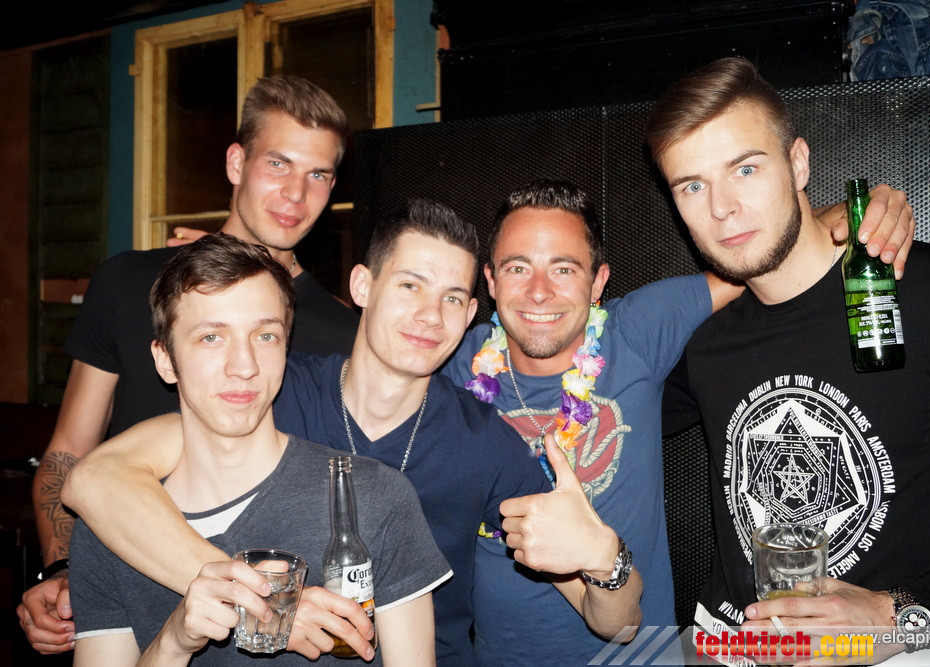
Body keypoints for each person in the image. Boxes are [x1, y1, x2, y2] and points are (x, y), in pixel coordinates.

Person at [62, 200, 643, 666]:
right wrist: (261, 603)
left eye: (452, 298)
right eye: (410, 285)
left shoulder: (483, 440)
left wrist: (607, 558)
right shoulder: (268, 387)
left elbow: (616, 623)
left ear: (470, 315)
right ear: (362, 286)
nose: (430, 315)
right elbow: (96, 480)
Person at [437, 177, 914, 665]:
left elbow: (757, 256)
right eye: (518, 268)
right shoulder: (451, 365)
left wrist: (859, 215)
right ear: (490, 281)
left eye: (563, 268)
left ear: (598, 283)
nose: (539, 292)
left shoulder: (637, 330)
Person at [648, 57, 930, 662]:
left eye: (746, 169)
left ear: (799, 163)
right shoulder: (702, 344)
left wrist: (897, 614)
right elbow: (589, 406)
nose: (722, 208)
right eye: (692, 186)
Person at [20, 74, 360, 654]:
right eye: (278, 164)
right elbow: (69, 451)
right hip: (125, 596)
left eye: (318, 175)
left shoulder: (341, 333)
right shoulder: (130, 281)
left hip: (270, 621)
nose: (295, 194)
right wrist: (61, 567)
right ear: (236, 163)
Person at [69, 233, 449, 665]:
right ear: (166, 361)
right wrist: (173, 643)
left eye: (265, 336)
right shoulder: (106, 530)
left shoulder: (374, 498)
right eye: (212, 337)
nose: (244, 366)